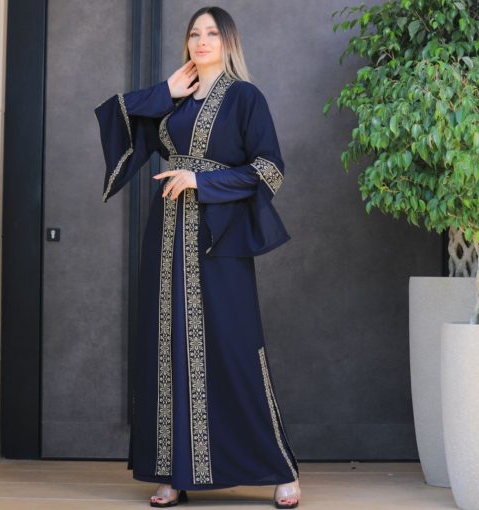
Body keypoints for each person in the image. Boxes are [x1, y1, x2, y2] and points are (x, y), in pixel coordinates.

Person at [94, 6, 301, 509]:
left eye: (211, 33)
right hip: (166, 238)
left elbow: (269, 169)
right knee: (166, 348)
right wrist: (163, 91)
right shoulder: (175, 99)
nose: (201, 40)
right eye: (194, 34)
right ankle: (171, 473)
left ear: (228, 41)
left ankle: (279, 470)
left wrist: (200, 179)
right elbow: (119, 120)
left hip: (218, 239)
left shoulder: (246, 97)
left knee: (234, 347)